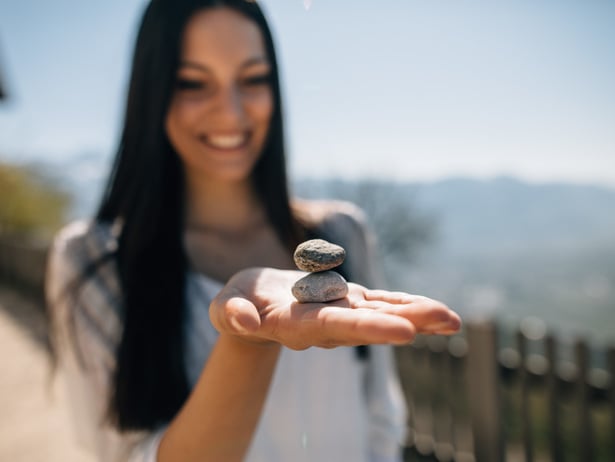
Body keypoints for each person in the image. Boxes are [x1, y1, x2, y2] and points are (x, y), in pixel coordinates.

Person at [45, 1, 461, 461]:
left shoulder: (345, 230)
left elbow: (381, 418)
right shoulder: (93, 260)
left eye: (253, 78)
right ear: (150, 91)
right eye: (192, 83)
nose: (231, 111)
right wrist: (248, 344)